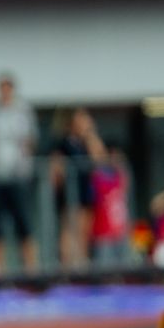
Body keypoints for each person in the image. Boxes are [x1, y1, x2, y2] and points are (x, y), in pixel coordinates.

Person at [0, 74, 39, 275]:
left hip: (18, 175)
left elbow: (30, 140)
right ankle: (0, 271)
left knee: (24, 222)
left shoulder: (23, 112)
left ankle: (31, 269)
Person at [49, 108, 102, 271]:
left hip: (86, 190)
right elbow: (55, 168)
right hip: (71, 192)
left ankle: (81, 262)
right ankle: (66, 264)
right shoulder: (64, 143)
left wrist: (90, 135)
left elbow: (100, 159)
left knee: (84, 230)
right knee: (70, 228)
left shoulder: (85, 142)